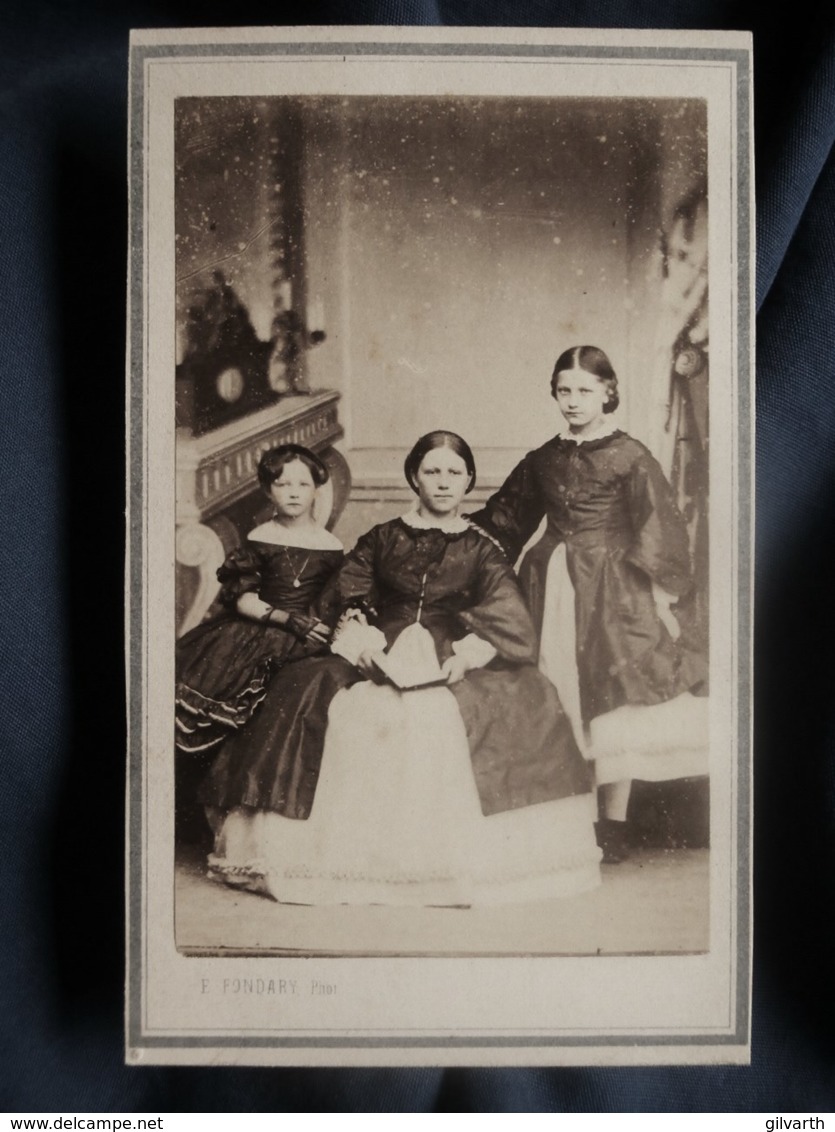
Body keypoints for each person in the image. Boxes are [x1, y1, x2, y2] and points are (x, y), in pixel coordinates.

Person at [204, 430, 602, 906]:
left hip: (449, 651)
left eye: (454, 473)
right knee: (323, 701)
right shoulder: (382, 538)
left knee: (489, 709)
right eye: (432, 472)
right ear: (414, 477)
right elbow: (345, 596)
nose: (443, 483)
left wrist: (466, 656)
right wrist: (363, 645)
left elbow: (508, 615)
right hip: (377, 648)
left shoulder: (481, 549)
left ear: (470, 480)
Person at [470, 346, 709, 863]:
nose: (573, 401)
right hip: (550, 581)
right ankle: (570, 821)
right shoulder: (543, 458)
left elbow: (659, 525)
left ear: (608, 391)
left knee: (612, 699)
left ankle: (615, 826)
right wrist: (455, 545)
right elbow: (506, 519)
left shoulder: (630, 455)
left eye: (584, 390)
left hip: (614, 588)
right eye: (564, 390)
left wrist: (660, 595)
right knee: (560, 692)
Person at [175, 444, 343, 754]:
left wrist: (316, 625)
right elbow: (243, 600)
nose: (293, 493)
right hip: (255, 631)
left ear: (317, 490)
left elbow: (332, 599)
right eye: (282, 484)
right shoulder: (260, 538)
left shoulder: (331, 546)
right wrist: (287, 619)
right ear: (268, 491)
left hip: (308, 637)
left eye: (303, 484)